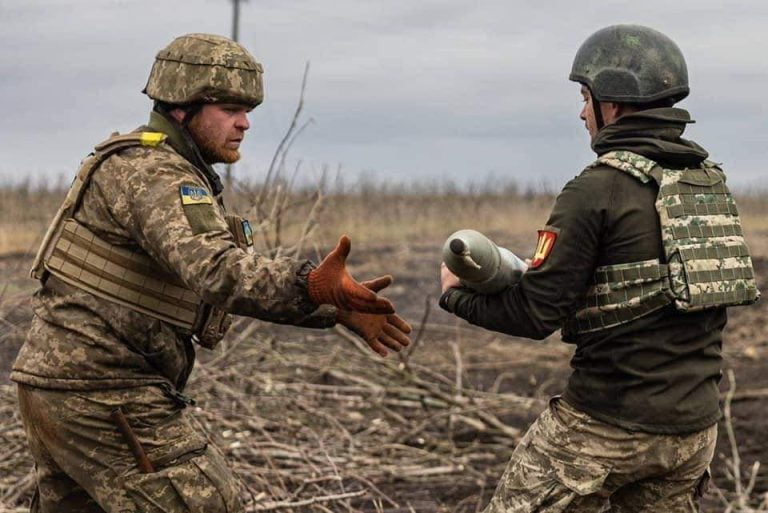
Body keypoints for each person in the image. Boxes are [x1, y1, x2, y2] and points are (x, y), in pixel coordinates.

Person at [12, 33, 411, 513]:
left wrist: (332, 307)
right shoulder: (154, 174)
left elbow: (186, 290)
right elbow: (217, 271)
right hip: (104, 392)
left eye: (247, 111)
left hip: (68, 386)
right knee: (206, 501)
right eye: (228, 108)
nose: (244, 123)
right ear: (181, 107)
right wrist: (310, 284)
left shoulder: (156, 168)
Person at [440, 24, 759, 512]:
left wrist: (454, 293)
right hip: (693, 434)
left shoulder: (595, 190)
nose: (582, 111)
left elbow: (533, 315)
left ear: (612, 104)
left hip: (605, 429)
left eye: (586, 98)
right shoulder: (708, 185)